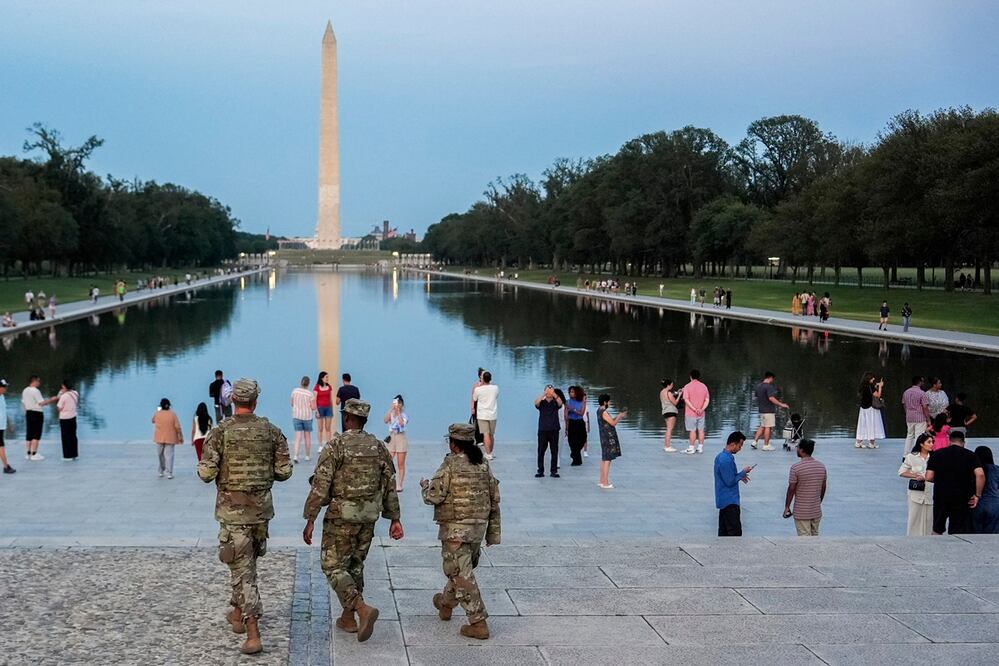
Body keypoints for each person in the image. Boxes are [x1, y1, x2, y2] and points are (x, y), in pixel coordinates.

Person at [198, 378, 293, 655]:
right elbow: (285, 471)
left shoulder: (220, 432)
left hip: (233, 512)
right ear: (255, 401)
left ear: (233, 401)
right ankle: (238, 612)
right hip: (261, 513)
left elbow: (206, 474)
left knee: (243, 570)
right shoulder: (271, 431)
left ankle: (253, 632)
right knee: (245, 564)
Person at [303, 399, 403, 643]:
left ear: (347, 418)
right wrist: (395, 519)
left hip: (341, 516)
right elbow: (390, 484)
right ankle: (348, 619)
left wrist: (310, 518)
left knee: (332, 565)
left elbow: (320, 485)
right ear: (364, 421)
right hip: (368, 516)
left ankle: (361, 608)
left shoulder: (335, 446)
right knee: (355, 564)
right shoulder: (379, 447)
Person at [420, 422, 501, 640]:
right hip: (477, 529)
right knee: (460, 570)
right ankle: (445, 604)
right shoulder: (483, 464)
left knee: (460, 573)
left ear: (454, 444)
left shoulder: (450, 464)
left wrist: (425, 487)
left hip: (456, 530)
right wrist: (493, 532)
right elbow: (494, 497)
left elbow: (434, 496)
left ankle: (478, 622)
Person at [925, 430, 985, 535]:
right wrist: (977, 495)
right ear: (963, 442)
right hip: (962, 497)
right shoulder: (971, 455)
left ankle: (934, 548)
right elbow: (980, 474)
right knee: (958, 529)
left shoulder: (937, 455)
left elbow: (929, 477)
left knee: (937, 528)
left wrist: (940, 480)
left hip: (941, 496)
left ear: (949, 441)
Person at [782, 439, 827, 536]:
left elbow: (791, 489)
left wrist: (787, 507)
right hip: (816, 511)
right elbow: (823, 487)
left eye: (797, 447)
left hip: (801, 511)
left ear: (801, 450)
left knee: (804, 540)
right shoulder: (821, 466)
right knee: (815, 536)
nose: (796, 449)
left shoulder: (796, 468)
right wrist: (818, 502)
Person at [714, 431, 752, 536]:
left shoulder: (721, 457)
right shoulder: (725, 460)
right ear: (733, 444)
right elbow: (729, 481)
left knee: (724, 534)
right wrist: (743, 472)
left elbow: (729, 477)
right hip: (729, 502)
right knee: (734, 534)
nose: (740, 449)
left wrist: (740, 476)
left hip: (724, 500)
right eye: (740, 446)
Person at [898, 433, 935, 536]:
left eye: (932, 442)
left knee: (929, 518)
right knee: (914, 517)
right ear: (922, 444)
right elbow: (901, 472)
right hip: (916, 493)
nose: (931, 444)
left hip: (930, 492)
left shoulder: (935, 457)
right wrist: (916, 476)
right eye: (929, 442)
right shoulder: (911, 457)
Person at [751, 371, 789, 451]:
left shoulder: (759, 386)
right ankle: (766, 445)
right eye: (773, 379)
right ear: (770, 377)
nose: (773, 380)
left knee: (762, 426)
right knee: (768, 427)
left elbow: (757, 397)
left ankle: (754, 442)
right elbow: (771, 398)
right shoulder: (768, 387)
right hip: (768, 410)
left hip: (761, 410)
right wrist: (781, 404)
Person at [22, 375, 57, 460]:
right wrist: (52, 399)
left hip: (28, 412)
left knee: (29, 433)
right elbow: (41, 403)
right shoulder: (35, 391)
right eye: (38, 381)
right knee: (36, 433)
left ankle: (28, 453)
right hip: (36, 413)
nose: (39, 383)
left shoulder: (25, 390)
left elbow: (23, 402)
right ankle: (34, 454)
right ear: (34, 381)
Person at [596, 393, 626, 489]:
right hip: (608, 437)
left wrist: (617, 416)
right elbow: (613, 423)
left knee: (604, 459)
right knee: (607, 459)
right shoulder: (603, 411)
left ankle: (602, 480)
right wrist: (620, 416)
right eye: (609, 401)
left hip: (604, 436)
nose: (610, 403)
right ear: (605, 402)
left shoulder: (599, 410)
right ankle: (605, 482)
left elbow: (608, 421)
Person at [534, 384, 563, 478]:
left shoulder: (555, 402)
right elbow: (536, 403)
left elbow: (560, 403)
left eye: (551, 390)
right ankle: (540, 470)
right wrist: (544, 393)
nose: (550, 392)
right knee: (541, 451)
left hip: (554, 429)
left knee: (554, 451)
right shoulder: (542, 403)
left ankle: (553, 471)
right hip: (543, 429)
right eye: (548, 390)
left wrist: (554, 394)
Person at [152, 398, 183, 479]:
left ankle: (161, 470)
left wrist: (158, 411)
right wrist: (180, 436)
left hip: (159, 437)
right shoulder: (173, 414)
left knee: (160, 455)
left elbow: (152, 420)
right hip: (171, 437)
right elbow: (177, 426)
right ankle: (169, 472)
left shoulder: (157, 413)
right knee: (169, 456)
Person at [384, 395, 409, 492]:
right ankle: (388, 482)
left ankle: (400, 484)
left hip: (401, 437)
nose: (395, 405)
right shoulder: (391, 413)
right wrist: (391, 409)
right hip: (392, 437)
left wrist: (398, 411)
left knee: (400, 463)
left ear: (401, 404)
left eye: (397, 403)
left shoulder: (404, 415)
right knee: (388, 460)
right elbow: (385, 420)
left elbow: (402, 424)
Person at [472, 371, 499, 461]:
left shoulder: (478, 389)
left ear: (482, 379)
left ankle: (488, 454)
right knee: (491, 435)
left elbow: (474, 398)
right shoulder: (495, 388)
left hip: (482, 415)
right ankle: (490, 452)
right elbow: (496, 396)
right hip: (493, 414)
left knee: (485, 434)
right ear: (490, 379)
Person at [681, 369, 710, 454]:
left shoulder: (687, 386)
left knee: (692, 430)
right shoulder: (704, 386)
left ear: (690, 376)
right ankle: (700, 447)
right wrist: (702, 409)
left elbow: (686, 400)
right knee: (701, 430)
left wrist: (694, 409)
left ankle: (691, 447)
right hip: (701, 413)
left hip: (691, 413)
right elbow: (707, 399)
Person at [901, 376, 931, 457]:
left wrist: (907, 413)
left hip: (909, 417)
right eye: (922, 381)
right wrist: (928, 419)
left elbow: (904, 404)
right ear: (920, 382)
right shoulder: (922, 393)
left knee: (909, 436)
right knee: (919, 437)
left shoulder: (906, 392)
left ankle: (906, 455)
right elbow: (925, 407)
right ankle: (917, 455)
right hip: (920, 418)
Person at [972, 446, 999, 534]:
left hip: (976, 504)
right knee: (992, 537)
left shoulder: (973, 470)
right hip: (994, 505)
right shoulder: (996, 469)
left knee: (975, 536)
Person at [854, 373, 885, 449]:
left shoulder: (862, 386)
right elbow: (877, 395)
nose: (873, 379)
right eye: (872, 378)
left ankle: (858, 442)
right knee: (871, 424)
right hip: (871, 408)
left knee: (862, 425)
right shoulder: (870, 386)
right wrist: (880, 387)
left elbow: (869, 391)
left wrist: (876, 385)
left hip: (863, 408)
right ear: (869, 379)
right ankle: (871, 443)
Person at [291, 376, 316, 463]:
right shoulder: (310, 394)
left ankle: (296, 456)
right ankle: (307, 455)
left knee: (298, 437)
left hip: (297, 416)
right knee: (307, 436)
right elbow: (313, 407)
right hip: (307, 417)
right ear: (308, 384)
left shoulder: (295, 391)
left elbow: (292, 403)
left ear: (301, 382)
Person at [56, 380, 80, 461]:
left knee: (65, 437)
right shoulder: (75, 393)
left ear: (64, 386)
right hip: (73, 417)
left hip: (65, 418)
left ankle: (67, 456)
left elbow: (59, 408)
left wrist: (60, 394)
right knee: (73, 436)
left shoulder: (64, 396)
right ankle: (74, 454)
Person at [565, 386, 589, 465]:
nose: (571, 393)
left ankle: (574, 453)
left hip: (580, 422)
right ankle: (576, 460)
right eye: (570, 392)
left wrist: (573, 410)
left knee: (583, 439)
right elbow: (566, 415)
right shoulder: (567, 402)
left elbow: (581, 413)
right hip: (572, 422)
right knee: (572, 441)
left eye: (573, 392)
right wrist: (566, 427)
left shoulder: (582, 401)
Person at [659, 379, 680, 452]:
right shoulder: (669, 393)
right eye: (671, 384)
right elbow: (675, 402)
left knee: (668, 429)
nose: (672, 386)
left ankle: (666, 445)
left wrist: (676, 393)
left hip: (665, 411)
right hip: (671, 411)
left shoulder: (662, 392)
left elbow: (667, 400)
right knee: (669, 429)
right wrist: (679, 395)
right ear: (668, 385)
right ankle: (668, 446)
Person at [314, 371, 334, 443]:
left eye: (328, 377)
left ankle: (329, 444)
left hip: (328, 408)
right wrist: (316, 411)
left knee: (328, 428)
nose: (327, 378)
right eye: (326, 377)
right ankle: (320, 445)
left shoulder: (329, 387)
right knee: (320, 428)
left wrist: (331, 409)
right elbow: (315, 399)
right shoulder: (317, 387)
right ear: (322, 378)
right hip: (320, 408)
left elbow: (331, 398)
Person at [0, 379, 15, 474]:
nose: (6, 388)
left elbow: (4, 411)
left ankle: (6, 466)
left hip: (1, 426)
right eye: (4, 387)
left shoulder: (2, 397)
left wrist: (9, 423)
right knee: (1, 446)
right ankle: (6, 466)